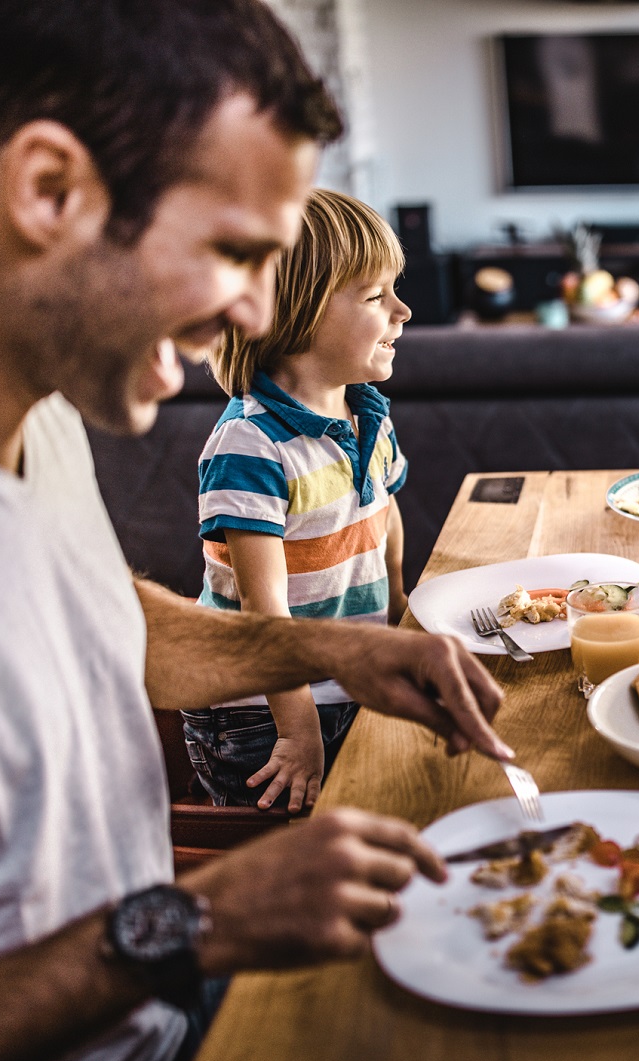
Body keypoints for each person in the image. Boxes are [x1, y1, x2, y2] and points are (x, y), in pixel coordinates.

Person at [0, 3, 514, 1061]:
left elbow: (95, 618)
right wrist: (197, 923)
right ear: (47, 191)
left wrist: (333, 645)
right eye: (233, 252)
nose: (253, 315)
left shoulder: (40, 412)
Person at [186, 189, 413, 812]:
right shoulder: (251, 444)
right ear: (298, 313)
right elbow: (265, 611)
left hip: (345, 682)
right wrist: (298, 729)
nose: (404, 311)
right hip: (263, 715)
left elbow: (382, 513)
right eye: (375, 297)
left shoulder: (365, 411)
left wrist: (397, 610)